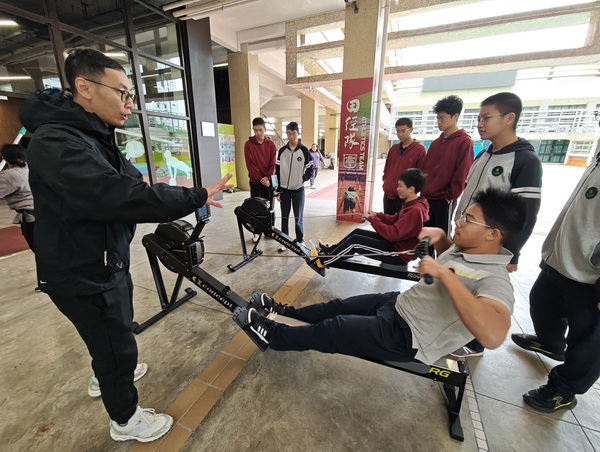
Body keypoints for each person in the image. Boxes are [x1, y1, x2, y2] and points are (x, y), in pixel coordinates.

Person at [19, 48, 232, 443]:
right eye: (122, 93)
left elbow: (133, 182)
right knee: (115, 344)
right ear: (84, 87)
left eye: (131, 94)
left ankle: (107, 373)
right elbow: (119, 195)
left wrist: (183, 194)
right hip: (83, 270)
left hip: (105, 260)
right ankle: (125, 419)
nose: (130, 103)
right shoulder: (57, 143)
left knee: (111, 335)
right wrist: (194, 197)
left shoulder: (92, 135)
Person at [244, 189, 526, 367]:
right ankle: (285, 311)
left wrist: (444, 275)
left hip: (409, 337)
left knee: (336, 328)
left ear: (493, 234)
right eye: (463, 215)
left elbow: (493, 335)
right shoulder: (465, 248)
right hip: (399, 304)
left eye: (468, 220)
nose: (458, 221)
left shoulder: (495, 279)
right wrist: (441, 237)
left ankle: (274, 336)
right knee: (337, 306)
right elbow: (450, 258)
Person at [510, 129, 599, 413]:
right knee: (542, 303)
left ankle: (564, 390)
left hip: (590, 275)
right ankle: (551, 343)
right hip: (561, 260)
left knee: (587, 339)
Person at [451, 92, 542, 358]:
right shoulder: (483, 154)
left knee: (480, 289)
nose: (480, 124)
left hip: (490, 245)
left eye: (486, 118)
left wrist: (513, 252)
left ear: (509, 118)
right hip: (467, 235)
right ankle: (457, 332)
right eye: (479, 118)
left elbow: (527, 214)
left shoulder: (525, 161)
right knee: (461, 285)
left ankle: (475, 344)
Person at [316, 168, 429, 267]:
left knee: (355, 241)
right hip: (395, 245)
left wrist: (371, 219)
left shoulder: (414, 210)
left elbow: (392, 234)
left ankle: (323, 261)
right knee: (357, 232)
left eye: (400, 186)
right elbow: (395, 219)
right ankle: (331, 251)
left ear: (411, 189)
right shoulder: (412, 204)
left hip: (397, 254)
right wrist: (377, 215)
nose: (397, 189)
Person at [420, 95, 474, 243]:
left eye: (442, 118)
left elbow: (463, 172)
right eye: (437, 118)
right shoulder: (436, 143)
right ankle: (426, 258)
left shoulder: (464, 142)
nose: (439, 122)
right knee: (426, 237)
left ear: (455, 116)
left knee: (441, 238)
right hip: (427, 197)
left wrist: (450, 196)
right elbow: (426, 169)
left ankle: (442, 259)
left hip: (444, 200)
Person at [275, 121, 312, 251]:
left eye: (294, 133)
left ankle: (300, 240)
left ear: (298, 133)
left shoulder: (304, 150)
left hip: (298, 190)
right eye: (288, 133)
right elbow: (277, 171)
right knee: (284, 216)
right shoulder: (282, 151)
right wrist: (277, 190)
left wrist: (302, 179)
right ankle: (284, 240)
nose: (291, 136)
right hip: (284, 190)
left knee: (298, 217)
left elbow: (310, 169)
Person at [382, 118, 426, 215]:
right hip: (389, 193)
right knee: (387, 219)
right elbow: (387, 168)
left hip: (405, 195)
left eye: (403, 131)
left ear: (411, 130)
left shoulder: (419, 149)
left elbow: (420, 174)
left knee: (402, 221)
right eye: (398, 131)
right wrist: (386, 181)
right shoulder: (393, 149)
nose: (400, 134)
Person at [244, 117, 277, 242]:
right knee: (256, 207)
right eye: (256, 130)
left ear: (265, 129)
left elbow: (273, 163)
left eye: (260, 130)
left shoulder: (271, 144)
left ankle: (269, 230)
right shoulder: (248, 145)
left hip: (269, 182)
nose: (258, 133)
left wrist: (268, 177)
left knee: (269, 207)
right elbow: (250, 164)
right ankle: (256, 231)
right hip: (255, 182)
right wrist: (261, 179)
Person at [0, 144, 35, 251]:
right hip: (45, 214)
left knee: (42, 251)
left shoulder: (9, 176)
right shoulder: (32, 167)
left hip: (33, 218)